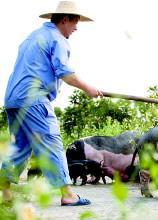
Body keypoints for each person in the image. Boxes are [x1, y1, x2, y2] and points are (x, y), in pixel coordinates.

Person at [0, 1, 102, 206]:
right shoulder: (58, 39)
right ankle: (68, 194)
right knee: (52, 142)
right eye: (75, 22)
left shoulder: (33, 37)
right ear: (64, 20)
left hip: (13, 99)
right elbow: (64, 72)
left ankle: (5, 192)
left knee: (21, 145)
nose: (76, 27)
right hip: (34, 99)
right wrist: (89, 88)